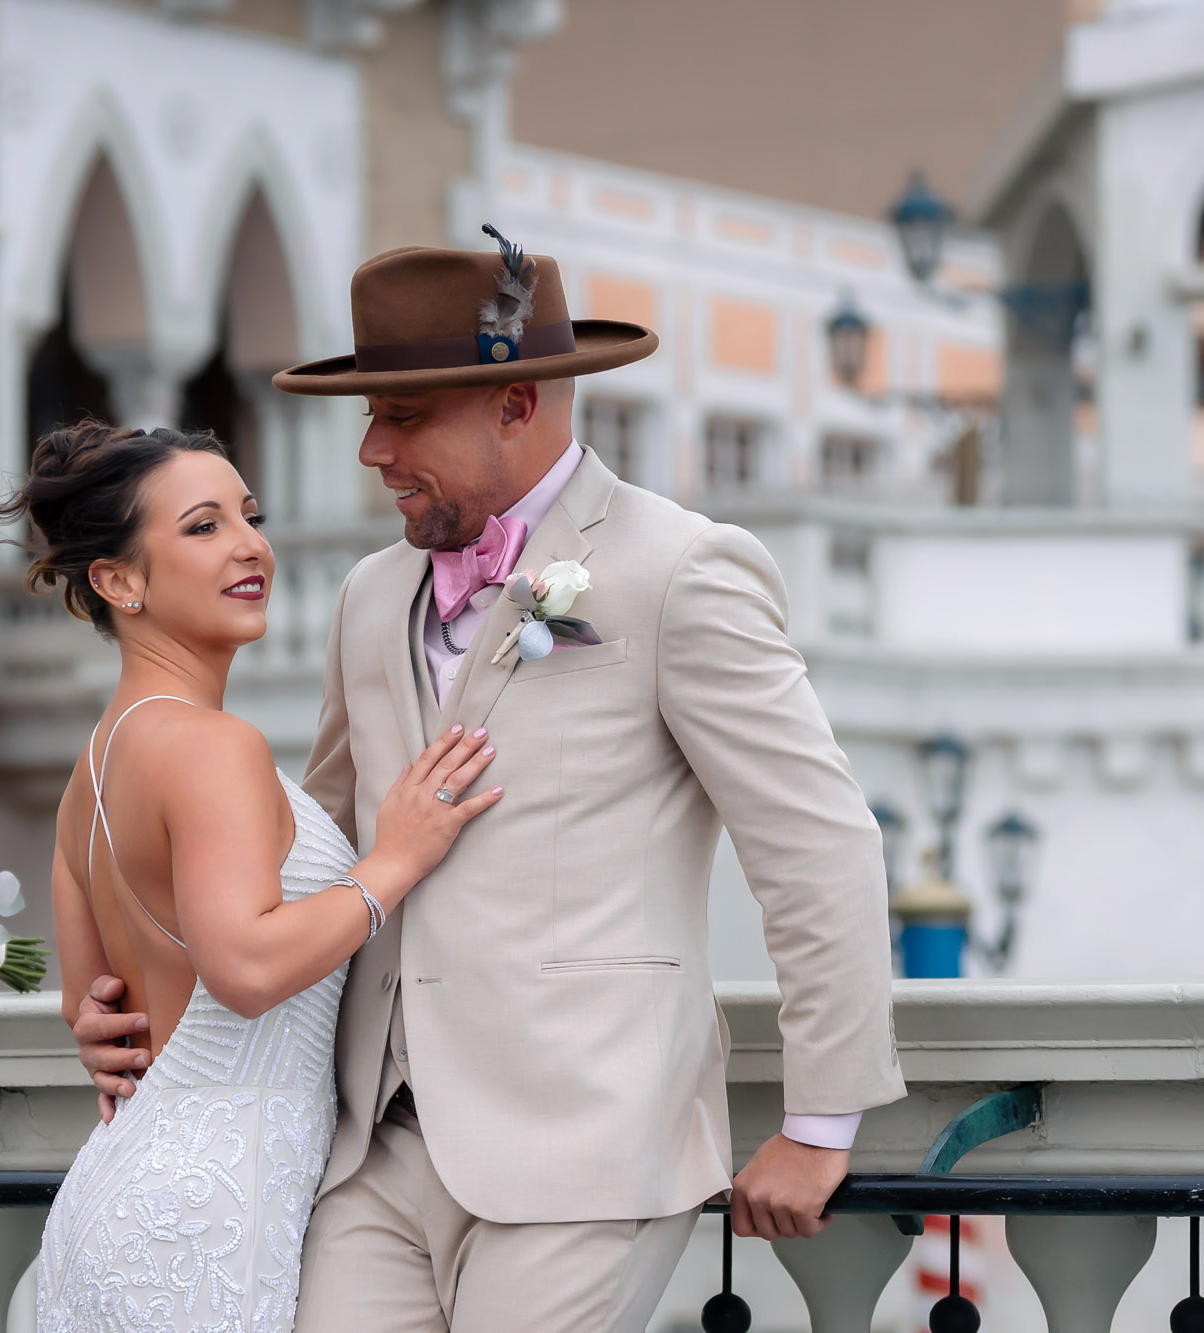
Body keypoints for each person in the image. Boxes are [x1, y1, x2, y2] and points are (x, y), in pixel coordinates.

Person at [72, 232, 905, 1332]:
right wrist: (148, 985)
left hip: (584, 1150)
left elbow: (815, 846)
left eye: (403, 415)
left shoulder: (680, 568)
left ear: (516, 402)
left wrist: (819, 1122)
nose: (371, 448)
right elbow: (307, 847)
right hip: (368, 1151)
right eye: (370, 414)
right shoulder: (369, 596)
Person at [0, 422, 503, 1333]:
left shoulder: (93, 771)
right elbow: (246, 969)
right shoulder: (212, 745)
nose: (249, 544)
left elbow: (98, 1007)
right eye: (201, 525)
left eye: (249, 514)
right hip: (204, 1224)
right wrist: (396, 858)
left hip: (125, 1194)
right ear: (118, 581)